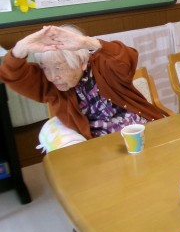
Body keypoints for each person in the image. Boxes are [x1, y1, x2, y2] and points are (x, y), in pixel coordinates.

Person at [0, 25, 165, 152]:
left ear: (82, 63)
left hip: (142, 131)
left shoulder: (103, 66)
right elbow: (12, 75)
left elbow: (128, 57)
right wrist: (21, 47)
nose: (52, 77)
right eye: (45, 68)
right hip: (102, 147)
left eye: (58, 68)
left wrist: (87, 42)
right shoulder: (50, 85)